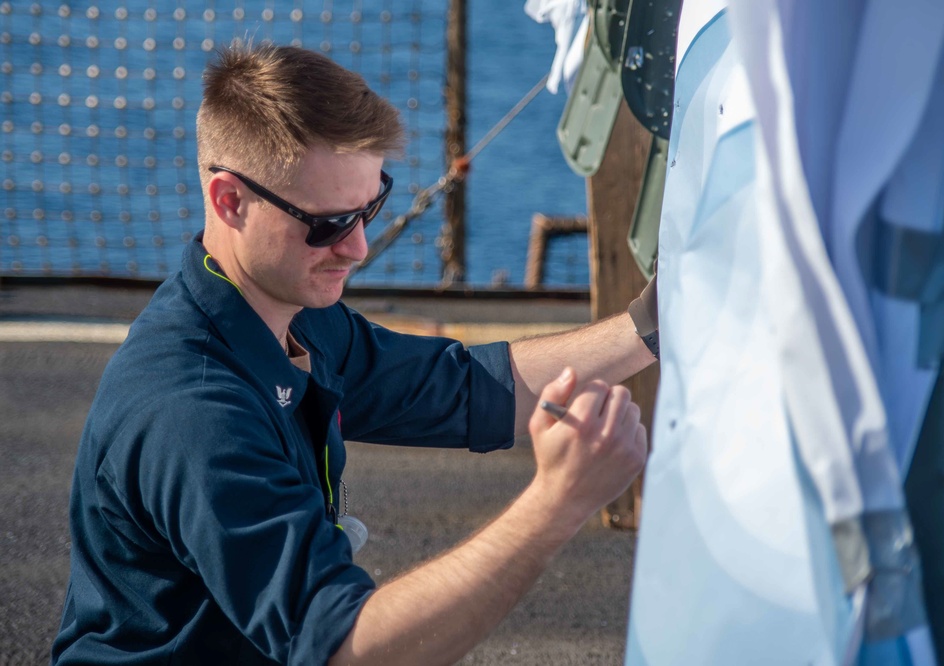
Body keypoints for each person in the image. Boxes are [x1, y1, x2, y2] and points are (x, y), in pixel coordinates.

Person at [52, 42, 657, 665]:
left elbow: (464, 389)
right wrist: (557, 503)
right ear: (230, 201)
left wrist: (651, 327)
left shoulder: (293, 317)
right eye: (329, 223)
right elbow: (341, 647)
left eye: (370, 206)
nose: (359, 247)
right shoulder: (195, 413)